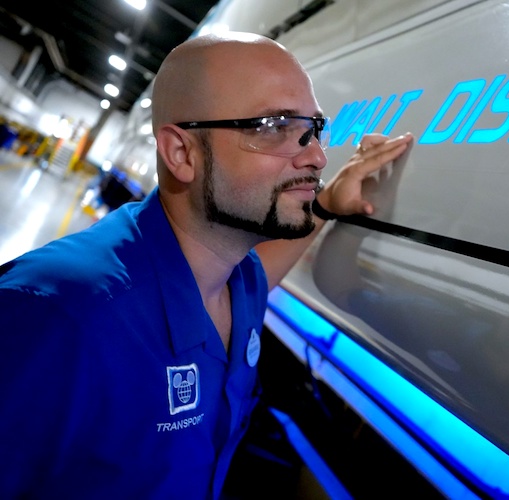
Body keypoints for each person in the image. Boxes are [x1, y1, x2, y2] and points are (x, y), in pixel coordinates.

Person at [0, 32, 413, 498]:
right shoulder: (57, 317)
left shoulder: (236, 279)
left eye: (313, 128)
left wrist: (327, 201)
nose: (317, 156)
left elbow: (260, 275)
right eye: (274, 126)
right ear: (182, 154)